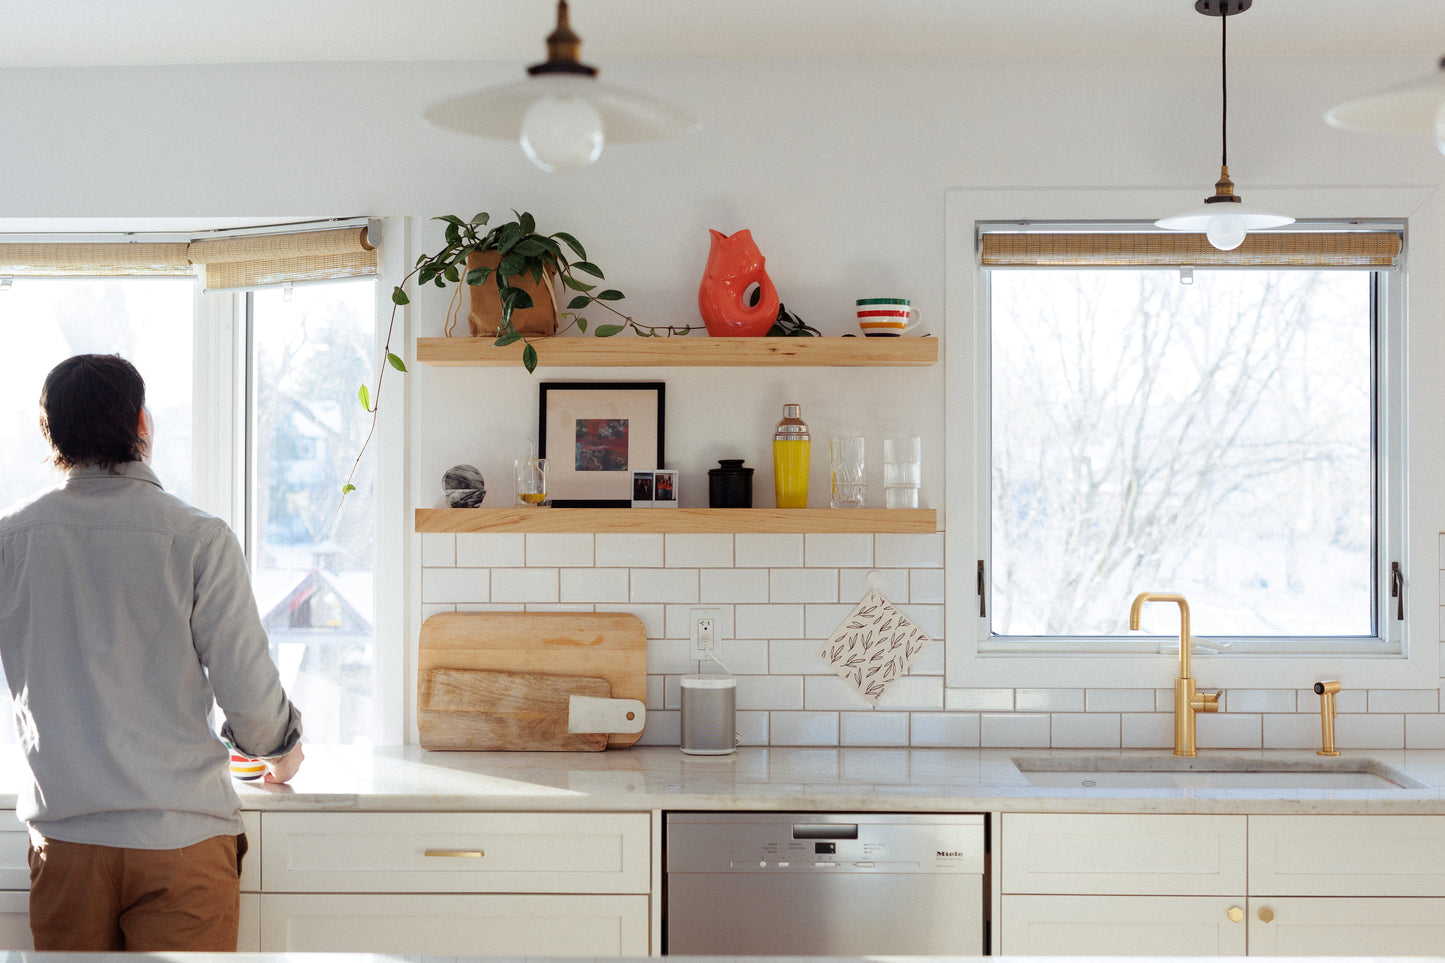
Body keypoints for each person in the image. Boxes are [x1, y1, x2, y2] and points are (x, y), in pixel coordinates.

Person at [0, 353, 303, 951]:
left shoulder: (10, 542)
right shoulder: (199, 537)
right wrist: (280, 751)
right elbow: (246, 687)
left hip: (67, 844)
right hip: (181, 841)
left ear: (48, 432)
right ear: (143, 423)